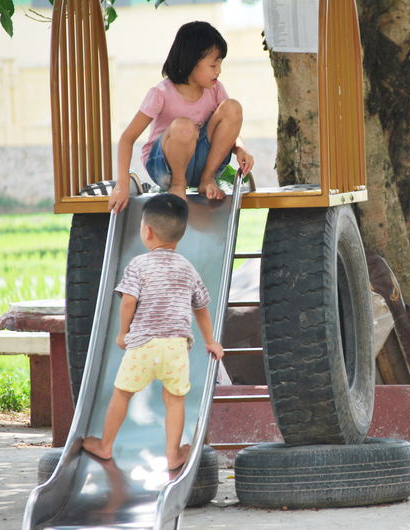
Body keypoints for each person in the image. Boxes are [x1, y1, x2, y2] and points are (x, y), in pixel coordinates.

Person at [83, 194, 224, 470]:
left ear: (146, 231)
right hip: (175, 348)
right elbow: (202, 308)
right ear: (180, 236)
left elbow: (128, 301)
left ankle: (105, 445)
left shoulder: (138, 264)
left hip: (143, 347)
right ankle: (173, 454)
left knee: (122, 394)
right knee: (174, 402)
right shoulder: (187, 267)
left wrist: (124, 333)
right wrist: (210, 341)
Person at [108, 21, 254, 212]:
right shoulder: (161, 93)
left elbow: (228, 128)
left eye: (220, 64)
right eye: (213, 64)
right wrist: (122, 185)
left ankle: (206, 180)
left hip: (203, 165)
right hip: (165, 167)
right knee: (185, 127)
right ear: (192, 61)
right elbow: (127, 138)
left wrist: (241, 149)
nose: (219, 70)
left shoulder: (216, 90)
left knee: (233, 107)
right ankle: (178, 184)